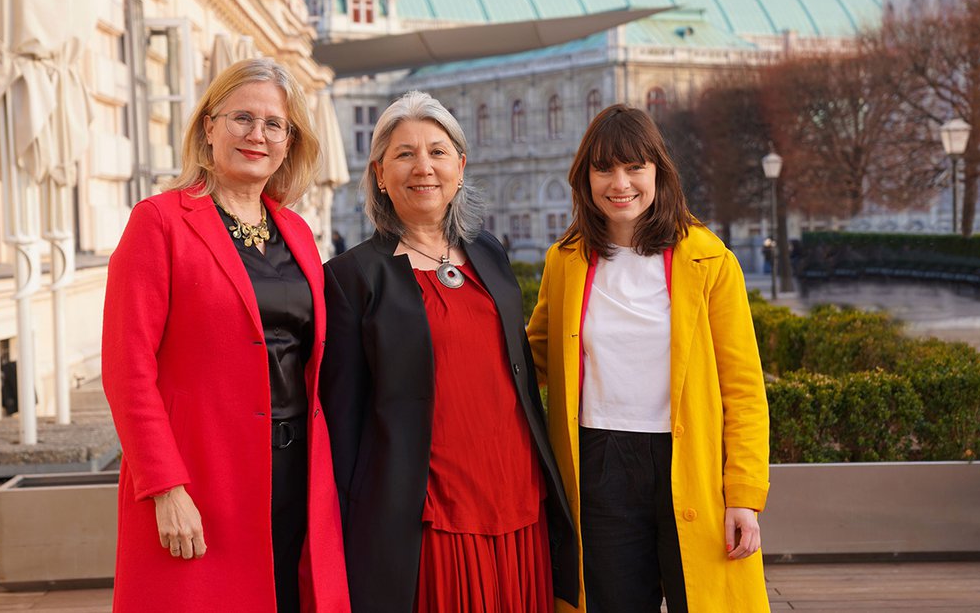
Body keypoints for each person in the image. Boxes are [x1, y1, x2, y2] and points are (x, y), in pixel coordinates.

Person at [102, 58, 349, 612]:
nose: (256, 135)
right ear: (208, 127)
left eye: (273, 124)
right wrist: (164, 487)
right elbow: (127, 369)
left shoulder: (298, 232)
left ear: (290, 142)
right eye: (241, 117)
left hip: (295, 476)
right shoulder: (160, 222)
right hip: (201, 477)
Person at [322, 90, 578, 613]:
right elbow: (342, 421)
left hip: (518, 491)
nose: (424, 167)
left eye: (438, 152)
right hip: (430, 507)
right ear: (379, 173)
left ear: (460, 166)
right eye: (405, 153)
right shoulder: (351, 278)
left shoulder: (489, 252)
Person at [527, 104, 771, 612]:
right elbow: (533, 360)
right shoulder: (565, 260)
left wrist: (744, 495)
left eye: (634, 167)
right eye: (604, 169)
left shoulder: (710, 260)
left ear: (658, 171)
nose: (620, 183)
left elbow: (743, 388)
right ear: (585, 177)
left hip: (690, 465)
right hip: (599, 463)